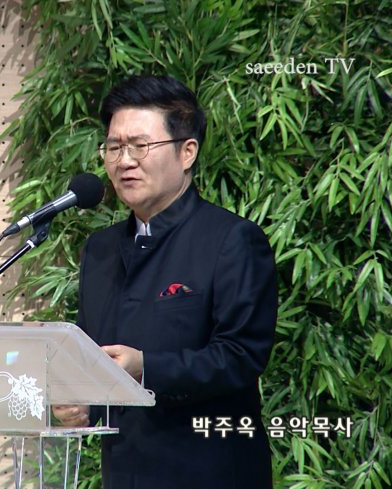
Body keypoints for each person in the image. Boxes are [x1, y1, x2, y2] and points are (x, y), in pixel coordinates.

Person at [53, 75, 277, 488]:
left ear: (187, 152)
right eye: (114, 147)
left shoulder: (231, 240)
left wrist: (146, 368)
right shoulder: (100, 250)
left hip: (209, 472)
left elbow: (240, 356)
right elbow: (94, 356)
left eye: (140, 146)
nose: (124, 161)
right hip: (124, 474)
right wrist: (82, 403)